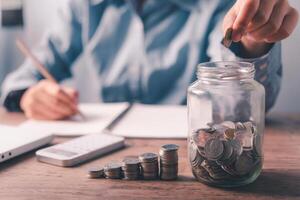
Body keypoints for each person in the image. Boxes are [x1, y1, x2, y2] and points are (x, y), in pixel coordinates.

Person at [1, 0, 298, 120]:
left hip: (190, 154)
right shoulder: (85, 5)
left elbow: (242, 106)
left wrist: (251, 40)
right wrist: (28, 95)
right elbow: (25, 74)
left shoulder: (216, 5)